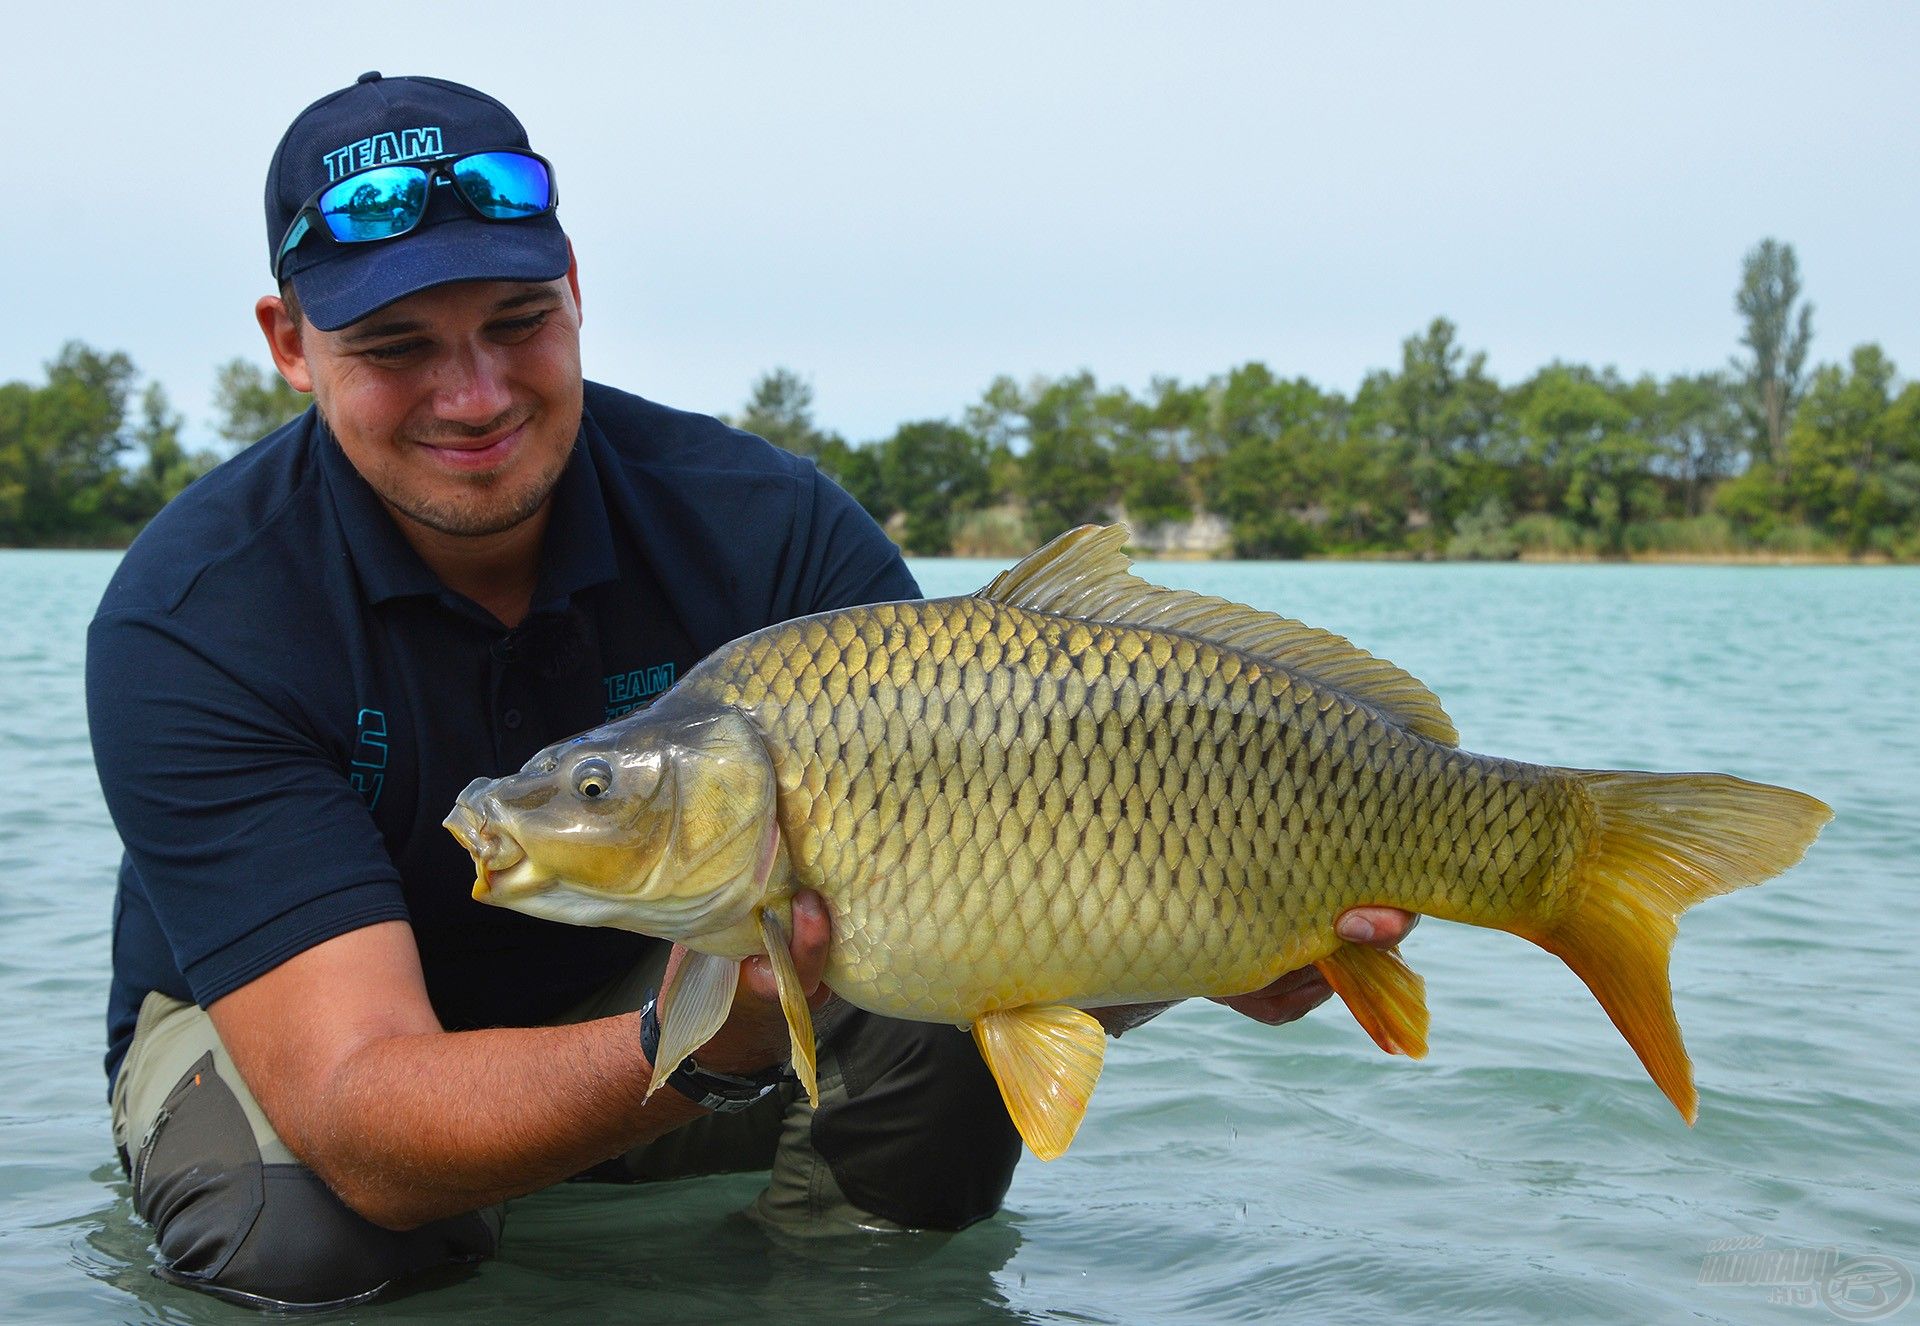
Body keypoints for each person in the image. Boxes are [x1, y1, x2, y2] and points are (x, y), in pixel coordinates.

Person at [87, 71, 1419, 1311]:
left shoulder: (771, 534)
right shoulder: (196, 616)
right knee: (312, 1229)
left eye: (517, 322)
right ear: (288, 341)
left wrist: (1212, 944)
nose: (475, 392)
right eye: (393, 346)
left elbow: (1019, 883)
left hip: (679, 988)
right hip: (314, 1056)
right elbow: (362, 1109)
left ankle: (824, 1286)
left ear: (577, 291)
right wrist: (706, 1051)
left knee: (934, 1006)